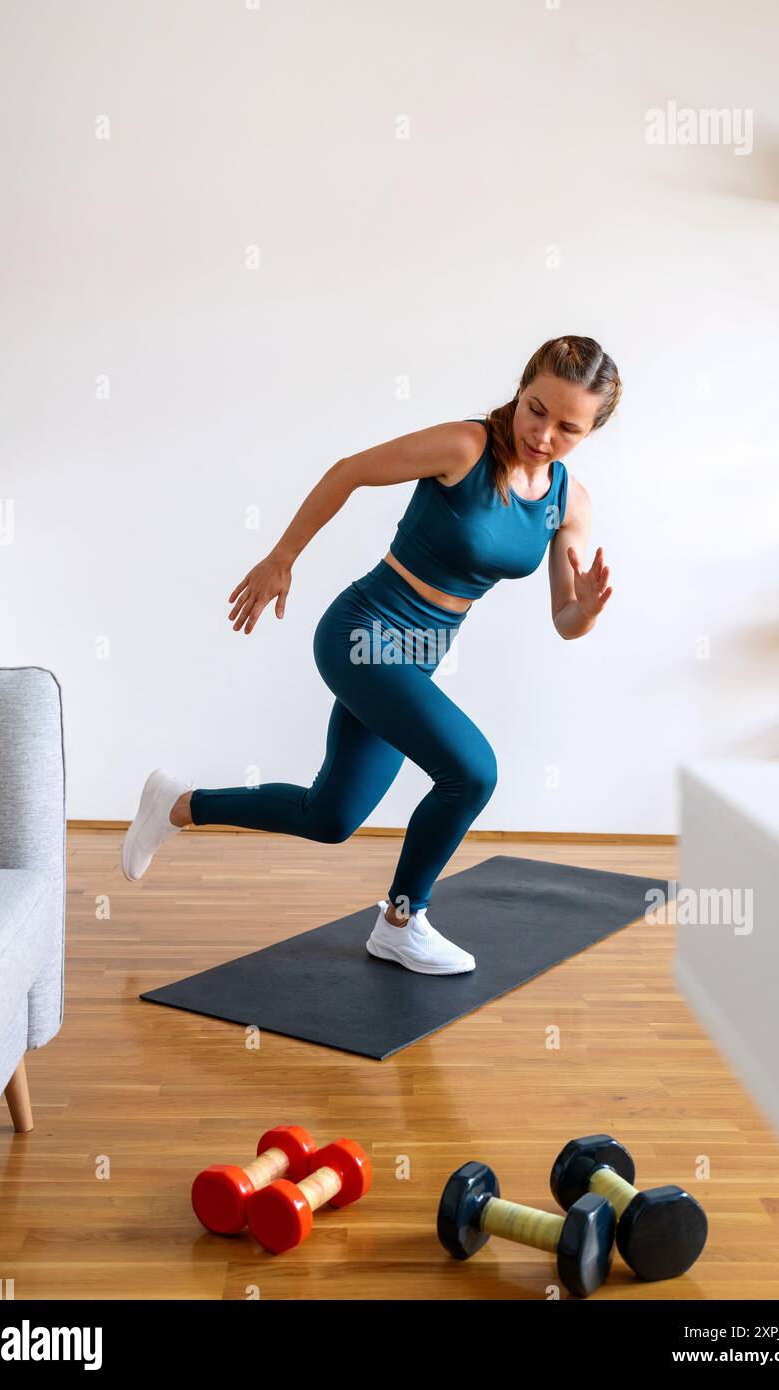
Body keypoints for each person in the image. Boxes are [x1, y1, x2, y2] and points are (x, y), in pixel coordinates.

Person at [121, 335, 620, 975]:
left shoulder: (567, 502)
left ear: (591, 431)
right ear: (520, 392)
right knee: (473, 772)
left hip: (416, 656)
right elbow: (349, 470)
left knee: (329, 817)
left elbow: (564, 620)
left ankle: (176, 805)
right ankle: (402, 920)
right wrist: (282, 556)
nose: (543, 433)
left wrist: (588, 609)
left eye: (568, 427)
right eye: (535, 409)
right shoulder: (466, 447)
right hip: (363, 632)